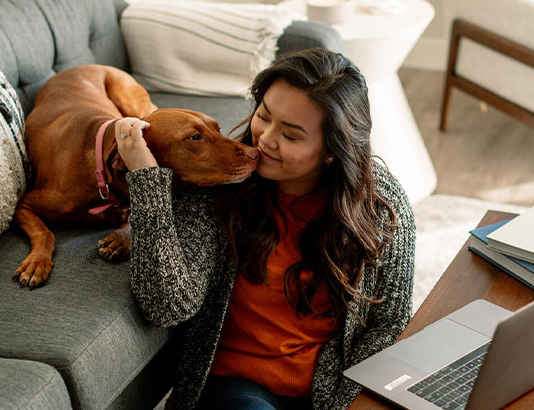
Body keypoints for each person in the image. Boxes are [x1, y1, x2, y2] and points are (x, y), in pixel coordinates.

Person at [114, 48, 415, 410]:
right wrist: (147, 180)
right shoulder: (217, 183)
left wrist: (344, 403)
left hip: (330, 388)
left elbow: (390, 322)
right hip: (236, 386)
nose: (264, 140)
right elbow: (168, 306)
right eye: (263, 116)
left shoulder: (381, 204)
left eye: (290, 135)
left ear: (332, 151)